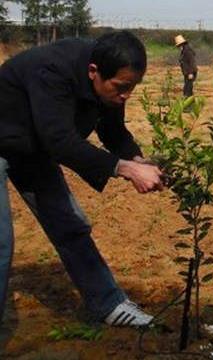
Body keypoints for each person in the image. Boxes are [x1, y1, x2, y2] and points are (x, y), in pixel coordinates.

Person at [0, 31, 164, 327]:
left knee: (70, 225)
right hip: (9, 138)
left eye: (132, 87)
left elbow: (113, 132)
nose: (126, 94)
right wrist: (125, 169)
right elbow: (61, 142)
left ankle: (109, 305)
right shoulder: (52, 70)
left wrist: (138, 160)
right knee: (1, 243)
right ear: (93, 72)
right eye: (122, 87)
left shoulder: (111, 76)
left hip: (31, 146)